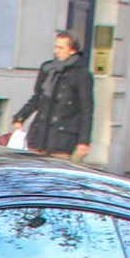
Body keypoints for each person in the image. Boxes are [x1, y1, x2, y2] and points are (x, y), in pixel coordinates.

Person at [11, 31, 95, 162]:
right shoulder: (48, 68)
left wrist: (83, 141)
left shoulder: (82, 75)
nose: (56, 51)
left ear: (73, 50)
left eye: (61, 48)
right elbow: (37, 98)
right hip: (38, 137)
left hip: (62, 140)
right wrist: (19, 117)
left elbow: (86, 110)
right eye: (56, 47)